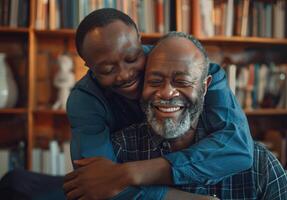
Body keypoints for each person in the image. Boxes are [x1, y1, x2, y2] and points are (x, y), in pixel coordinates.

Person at [64, 8, 253, 199]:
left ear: (139, 40)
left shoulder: (192, 66)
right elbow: (96, 184)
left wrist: (128, 173)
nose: (125, 74)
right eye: (107, 69)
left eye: (132, 58)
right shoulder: (84, 102)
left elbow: (238, 148)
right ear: (88, 65)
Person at [107, 32, 287, 199]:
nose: (166, 93)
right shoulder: (118, 151)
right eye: (155, 81)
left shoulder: (259, 167)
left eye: (182, 82)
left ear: (205, 87)